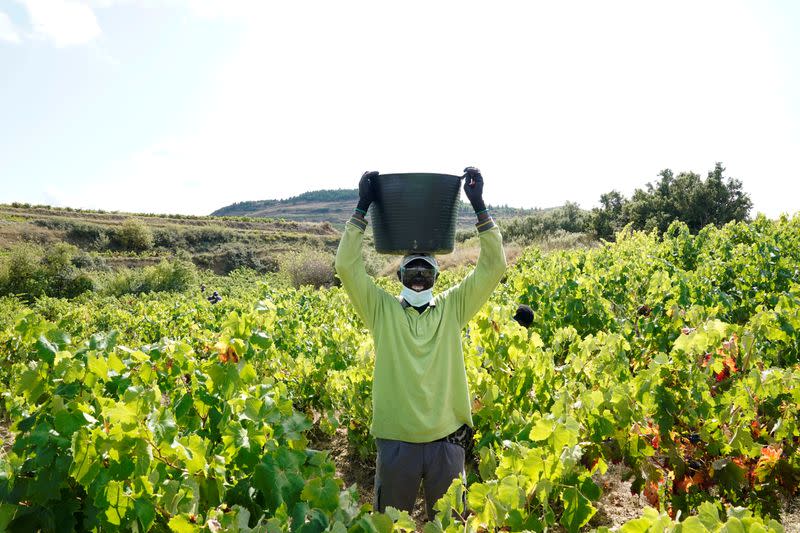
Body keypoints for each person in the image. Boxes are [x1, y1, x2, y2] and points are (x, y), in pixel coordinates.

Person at [334, 167, 506, 519]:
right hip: (396, 444)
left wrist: (480, 207)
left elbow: (493, 267)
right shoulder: (381, 311)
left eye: (424, 273)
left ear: (436, 277)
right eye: (411, 273)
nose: (417, 280)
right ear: (399, 276)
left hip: (446, 443)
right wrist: (361, 207)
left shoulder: (452, 308)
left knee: (450, 526)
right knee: (389, 526)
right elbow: (347, 267)